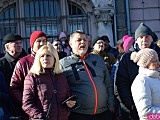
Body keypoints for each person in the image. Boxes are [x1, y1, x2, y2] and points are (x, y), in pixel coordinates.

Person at [60, 30, 114, 120]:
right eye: (79, 40)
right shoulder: (63, 64)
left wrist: (111, 105)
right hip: (79, 114)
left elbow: (108, 83)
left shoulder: (98, 59)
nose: (82, 42)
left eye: (85, 40)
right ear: (70, 43)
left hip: (104, 113)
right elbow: (60, 90)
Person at [115, 23, 160, 120]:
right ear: (136, 40)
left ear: (152, 38)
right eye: (141, 37)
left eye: (147, 37)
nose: (144, 40)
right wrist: (130, 105)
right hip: (134, 110)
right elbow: (120, 83)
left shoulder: (158, 54)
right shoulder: (127, 58)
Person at [22, 45, 75, 120]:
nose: (45, 58)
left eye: (48, 55)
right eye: (42, 56)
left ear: (55, 58)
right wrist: (40, 116)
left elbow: (68, 96)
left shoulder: (61, 76)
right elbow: (27, 104)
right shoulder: (32, 77)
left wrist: (70, 103)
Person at [9, 30, 48, 120]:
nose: (42, 43)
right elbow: (14, 88)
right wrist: (28, 104)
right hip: (31, 114)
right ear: (32, 44)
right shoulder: (23, 63)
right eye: (38, 41)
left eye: (44, 41)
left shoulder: (53, 60)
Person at [131, 48, 160, 120]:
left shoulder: (156, 77)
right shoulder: (141, 81)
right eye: (155, 61)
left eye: (158, 60)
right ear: (146, 65)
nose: (158, 63)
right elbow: (145, 114)